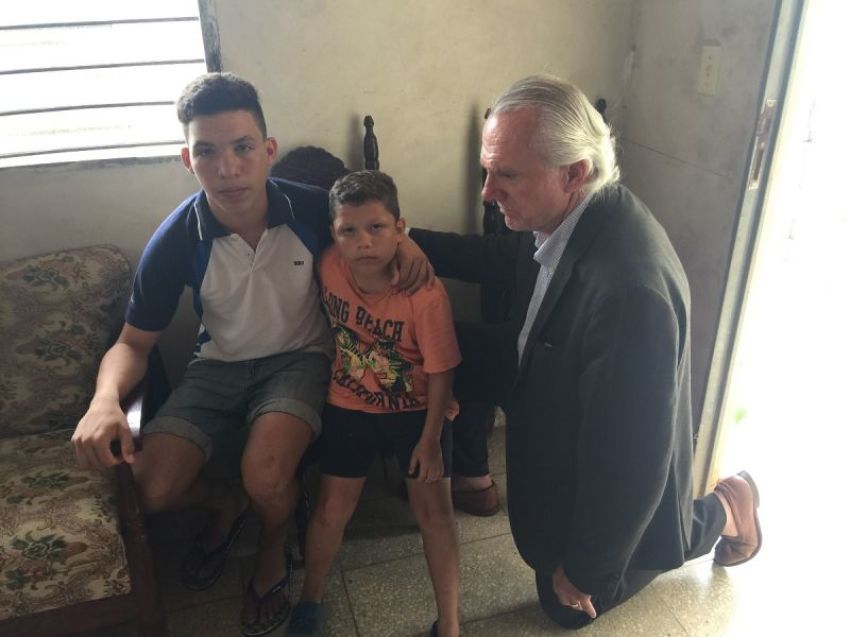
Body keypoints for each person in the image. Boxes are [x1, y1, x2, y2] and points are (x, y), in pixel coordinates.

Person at [71, 72, 428, 637]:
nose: (228, 168)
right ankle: (225, 504)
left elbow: (374, 229)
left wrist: (404, 242)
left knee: (265, 471)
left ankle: (270, 543)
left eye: (242, 149)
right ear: (187, 160)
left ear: (267, 152)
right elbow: (133, 342)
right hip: (217, 367)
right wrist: (104, 401)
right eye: (208, 152)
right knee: (153, 489)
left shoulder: (313, 211)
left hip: (301, 359)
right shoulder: (178, 238)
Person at [409, 74, 762, 628]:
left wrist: (587, 571)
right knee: (424, 349)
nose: (487, 191)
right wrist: (397, 241)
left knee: (566, 605)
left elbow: (630, 461)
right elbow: (503, 258)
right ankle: (474, 473)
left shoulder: (627, 293)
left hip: (590, 422)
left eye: (506, 174)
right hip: (547, 370)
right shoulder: (571, 212)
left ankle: (723, 509)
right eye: (487, 170)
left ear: (573, 171)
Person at [287, 171, 461, 637]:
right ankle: (312, 596)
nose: (364, 241)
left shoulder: (424, 295)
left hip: (416, 413)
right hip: (349, 404)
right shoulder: (327, 264)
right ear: (334, 234)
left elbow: (442, 370)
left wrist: (430, 440)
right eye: (350, 231)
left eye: (377, 228)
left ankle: (450, 623)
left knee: (436, 515)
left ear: (400, 228)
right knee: (330, 510)